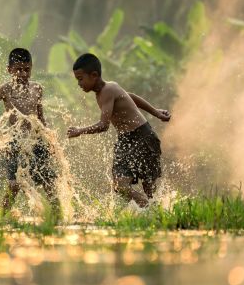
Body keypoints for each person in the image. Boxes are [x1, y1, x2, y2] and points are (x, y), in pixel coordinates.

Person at [67, 53, 171, 207]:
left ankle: (153, 212)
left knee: (149, 187)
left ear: (94, 75)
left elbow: (104, 125)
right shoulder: (106, 90)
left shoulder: (108, 90)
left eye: (81, 79)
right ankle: (147, 209)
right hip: (126, 140)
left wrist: (79, 131)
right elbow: (130, 96)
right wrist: (155, 112)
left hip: (142, 135)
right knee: (120, 186)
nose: (79, 84)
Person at [0, 48, 60, 216]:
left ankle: (59, 216)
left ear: (31, 68)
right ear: (9, 70)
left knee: (49, 181)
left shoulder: (37, 89)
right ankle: (1, 219)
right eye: (18, 69)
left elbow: (40, 118)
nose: (23, 73)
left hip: (36, 140)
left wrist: (50, 140)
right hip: (15, 142)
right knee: (14, 185)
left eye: (27, 69)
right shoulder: (5, 89)